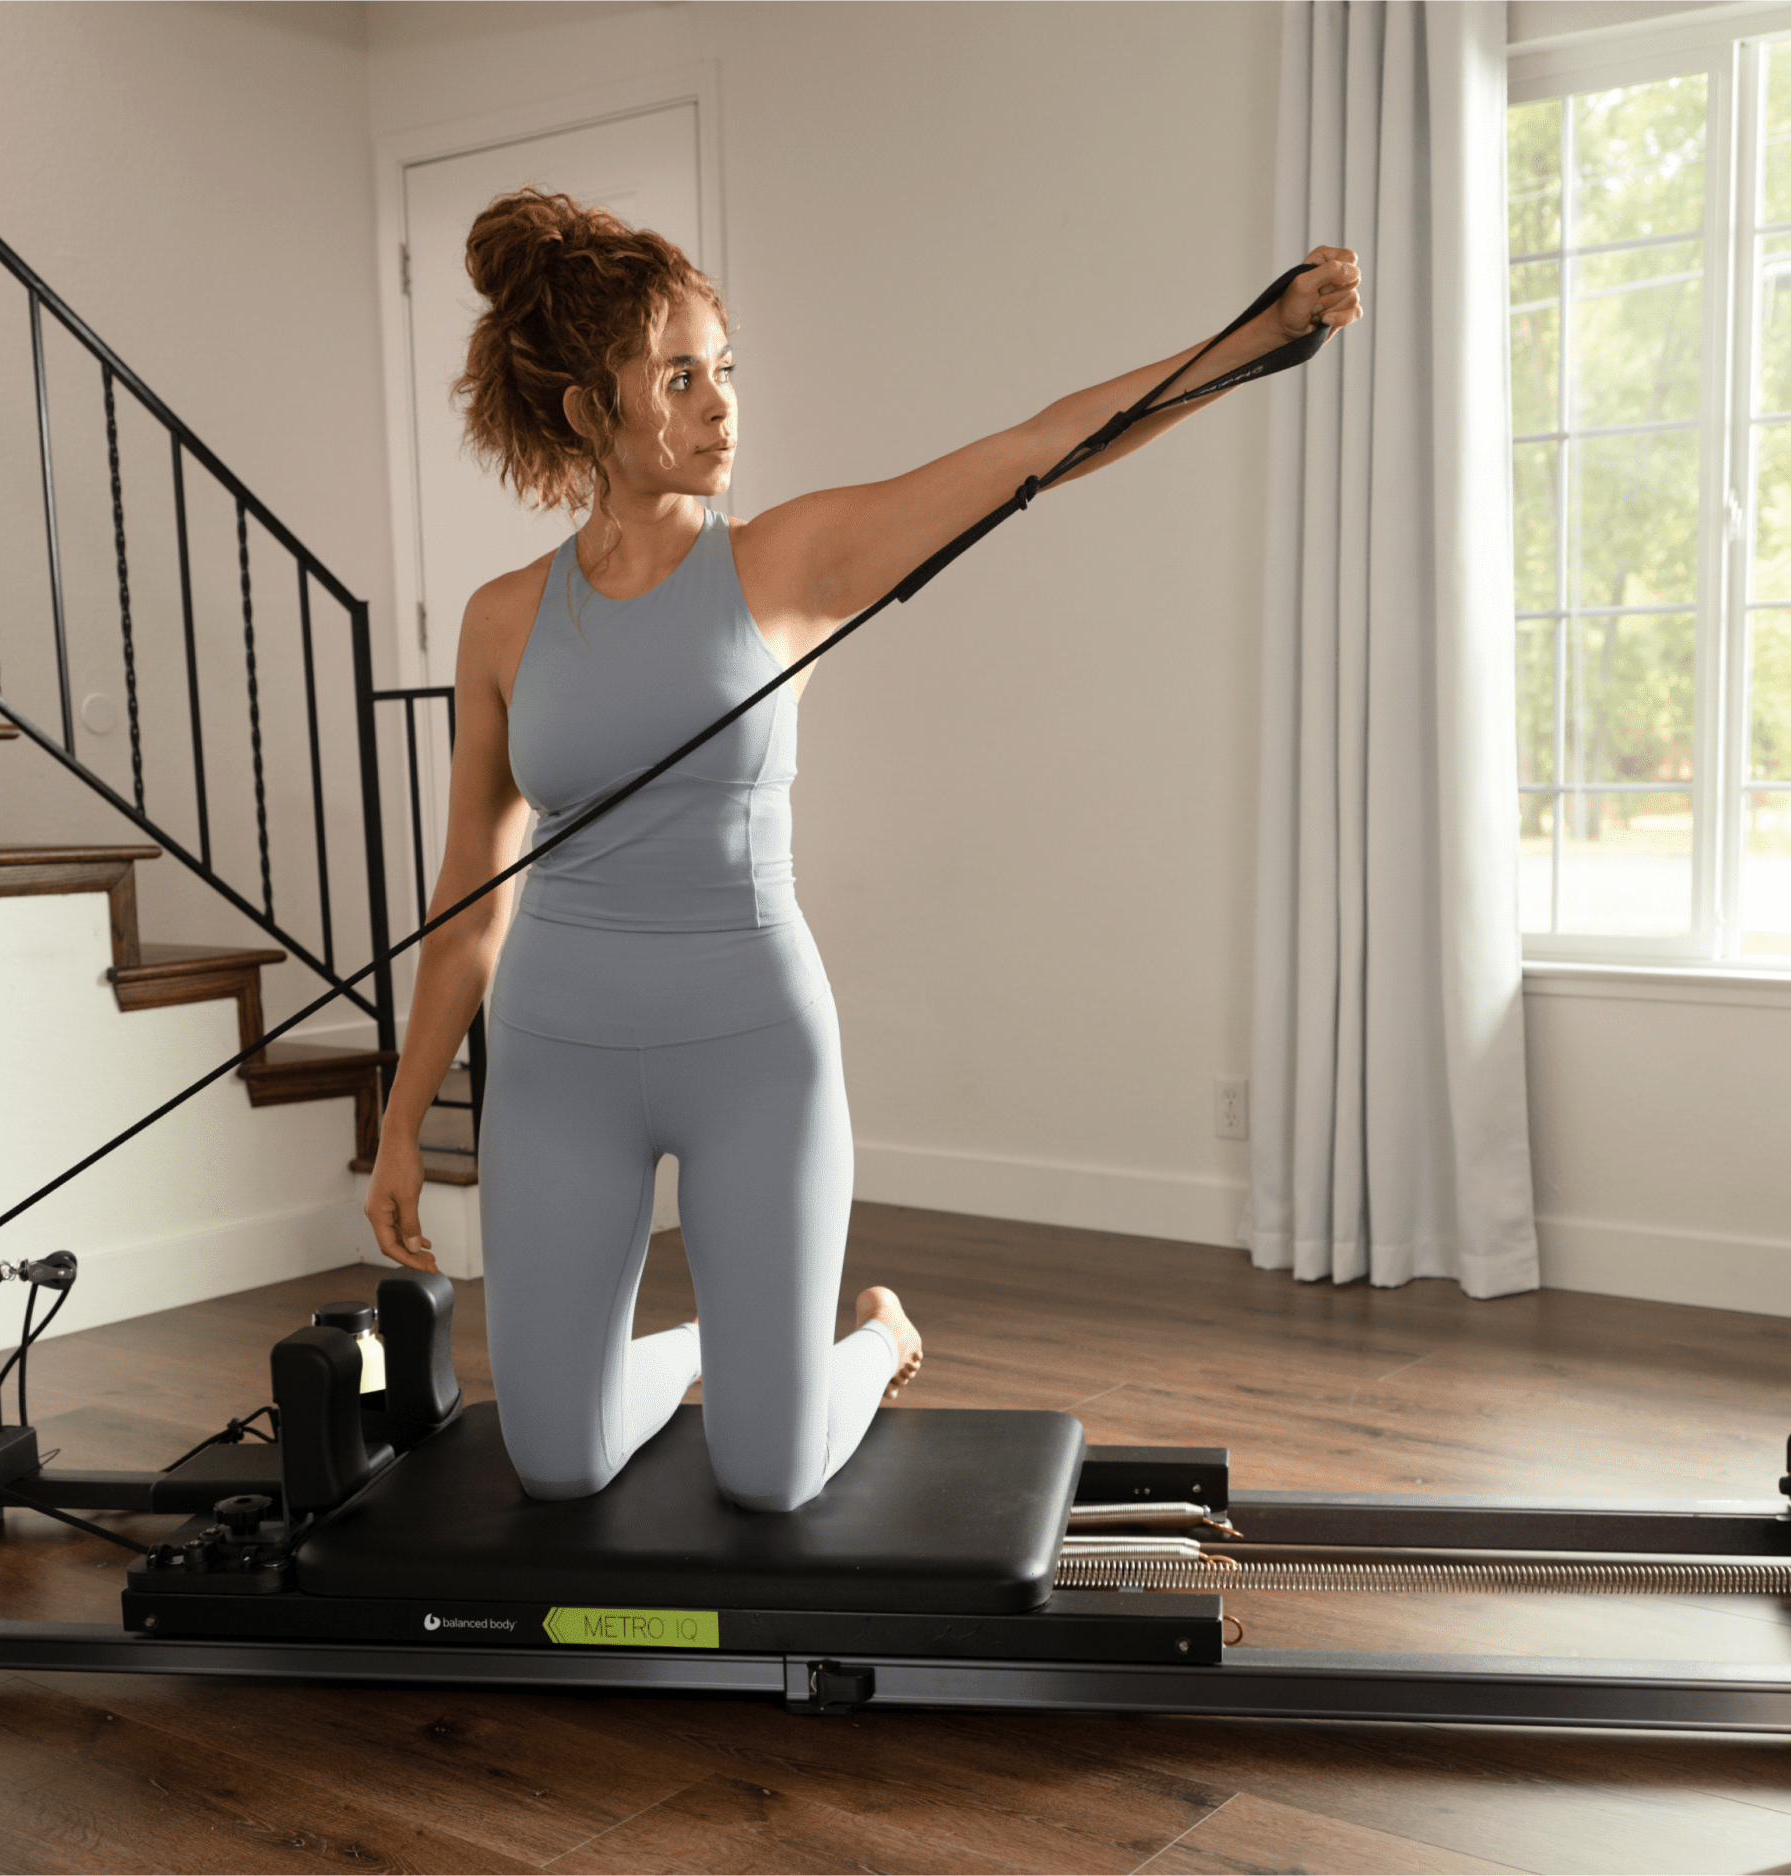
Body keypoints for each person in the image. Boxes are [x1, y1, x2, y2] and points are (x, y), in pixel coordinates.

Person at [366, 188, 1361, 1511]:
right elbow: (467, 907)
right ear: (584, 413)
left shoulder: (786, 563)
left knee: (769, 1476)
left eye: (726, 368)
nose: (725, 405)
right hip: (557, 1063)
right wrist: (399, 1121)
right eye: (681, 378)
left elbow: (1037, 451)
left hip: (749, 1050)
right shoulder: (500, 624)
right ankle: (733, 1342)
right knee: (555, 1461)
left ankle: (873, 1342)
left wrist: (1255, 340)